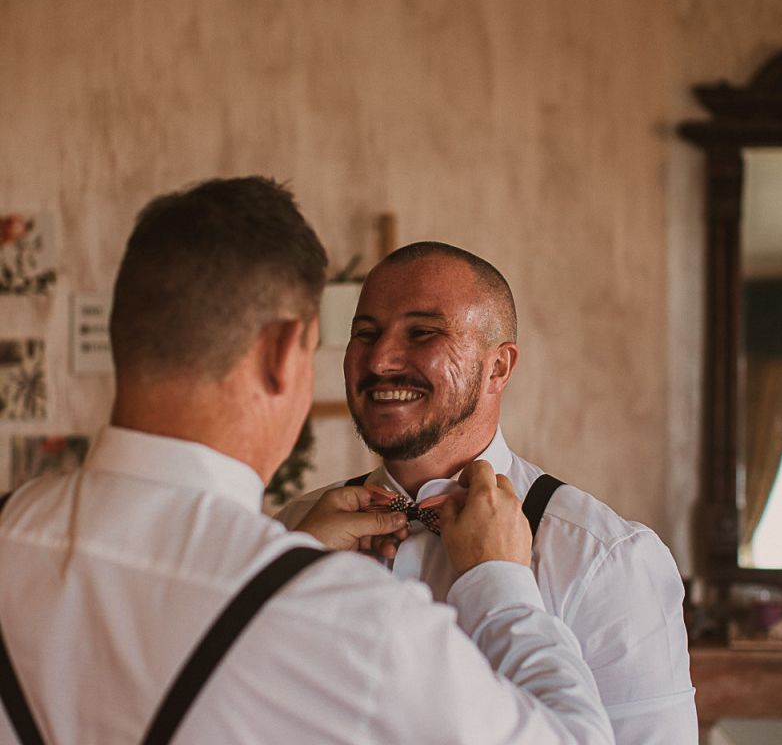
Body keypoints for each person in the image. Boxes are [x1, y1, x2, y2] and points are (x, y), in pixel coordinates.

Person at [0, 179, 613, 744]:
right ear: (284, 351)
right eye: (356, 336)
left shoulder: (13, 531)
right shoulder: (350, 622)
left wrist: (288, 555)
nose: (379, 363)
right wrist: (500, 586)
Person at [278, 241, 698, 745]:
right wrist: (284, 584)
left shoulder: (607, 560)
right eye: (365, 333)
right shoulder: (292, 533)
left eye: (422, 332)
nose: (381, 359)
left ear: (499, 368)